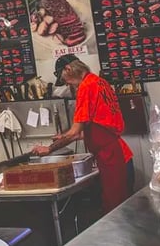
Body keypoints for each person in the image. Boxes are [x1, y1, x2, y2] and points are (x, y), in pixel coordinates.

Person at [32, 54, 134, 213]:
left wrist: (49, 149)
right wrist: (73, 135)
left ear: (68, 69)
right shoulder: (99, 82)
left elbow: (74, 133)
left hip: (111, 157)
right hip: (119, 153)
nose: (66, 82)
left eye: (64, 78)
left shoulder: (86, 87)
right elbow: (99, 126)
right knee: (121, 210)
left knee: (115, 212)